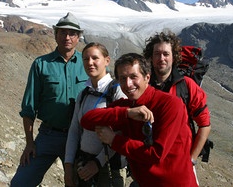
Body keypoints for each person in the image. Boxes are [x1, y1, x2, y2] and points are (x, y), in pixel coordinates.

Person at [80, 53, 198, 187]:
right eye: (123, 78)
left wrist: (113, 140)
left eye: (133, 77)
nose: (128, 84)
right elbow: (87, 121)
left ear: (147, 77)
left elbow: (155, 154)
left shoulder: (170, 104)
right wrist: (126, 113)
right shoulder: (127, 106)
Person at [11, 12, 89, 187]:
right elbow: (29, 107)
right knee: (21, 183)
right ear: (55, 35)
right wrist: (29, 143)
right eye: (63, 32)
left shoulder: (88, 64)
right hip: (48, 135)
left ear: (78, 37)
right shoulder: (41, 64)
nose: (67, 37)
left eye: (72, 33)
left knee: (78, 183)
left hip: (79, 138)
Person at [143, 31, 211, 182]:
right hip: (150, 161)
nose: (161, 58)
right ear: (151, 57)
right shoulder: (143, 86)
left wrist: (191, 160)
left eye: (166, 54)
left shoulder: (187, 86)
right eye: (157, 53)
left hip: (181, 164)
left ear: (174, 57)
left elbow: (205, 125)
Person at [64, 42, 127, 187]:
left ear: (107, 61)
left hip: (109, 169)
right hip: (84, 166)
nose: (90, 63)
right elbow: (75, 130)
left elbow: (121, 133)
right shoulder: (84, 94)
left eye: (95, 58)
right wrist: (68, 166)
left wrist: (98, 163)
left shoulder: (117, 91)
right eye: (86, 59)